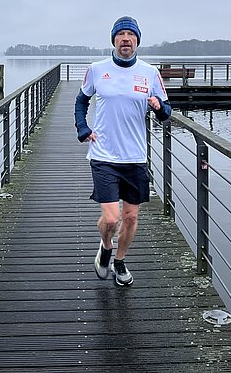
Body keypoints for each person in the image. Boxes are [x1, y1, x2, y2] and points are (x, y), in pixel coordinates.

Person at [74, 16, 172, 285]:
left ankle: (119, 261)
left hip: (135, 157)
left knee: (130, 217)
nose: (126, 39)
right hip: (103, 155)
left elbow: (166, 113)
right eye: (121, 34)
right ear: (114, 40)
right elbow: (81, 100)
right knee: (111, 216)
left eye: (131, 34)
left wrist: (158, 107)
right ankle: (106, 246)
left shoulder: (150, 73)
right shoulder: (97, 69)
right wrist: (83, 128)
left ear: (137, 41)